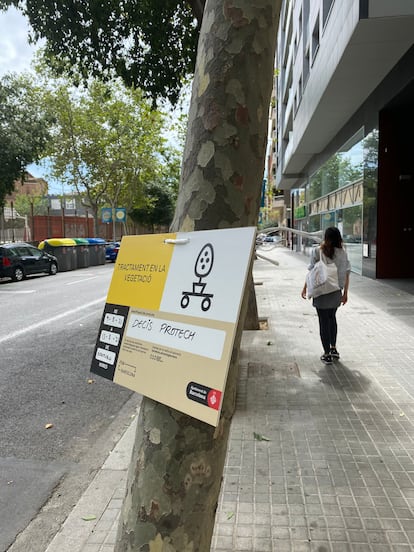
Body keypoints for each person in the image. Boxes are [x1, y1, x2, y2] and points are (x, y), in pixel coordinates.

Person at [301, 227, 351, 365]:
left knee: (323, 321)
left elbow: (311, 272)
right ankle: (334, 349)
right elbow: (347, 273)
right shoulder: (342, 253)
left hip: (321, 291)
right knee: (332, 318)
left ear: (326, 237)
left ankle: (327, 353)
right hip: (335, 292)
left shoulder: (318, 251)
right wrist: (345, 293)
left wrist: (305, 287)